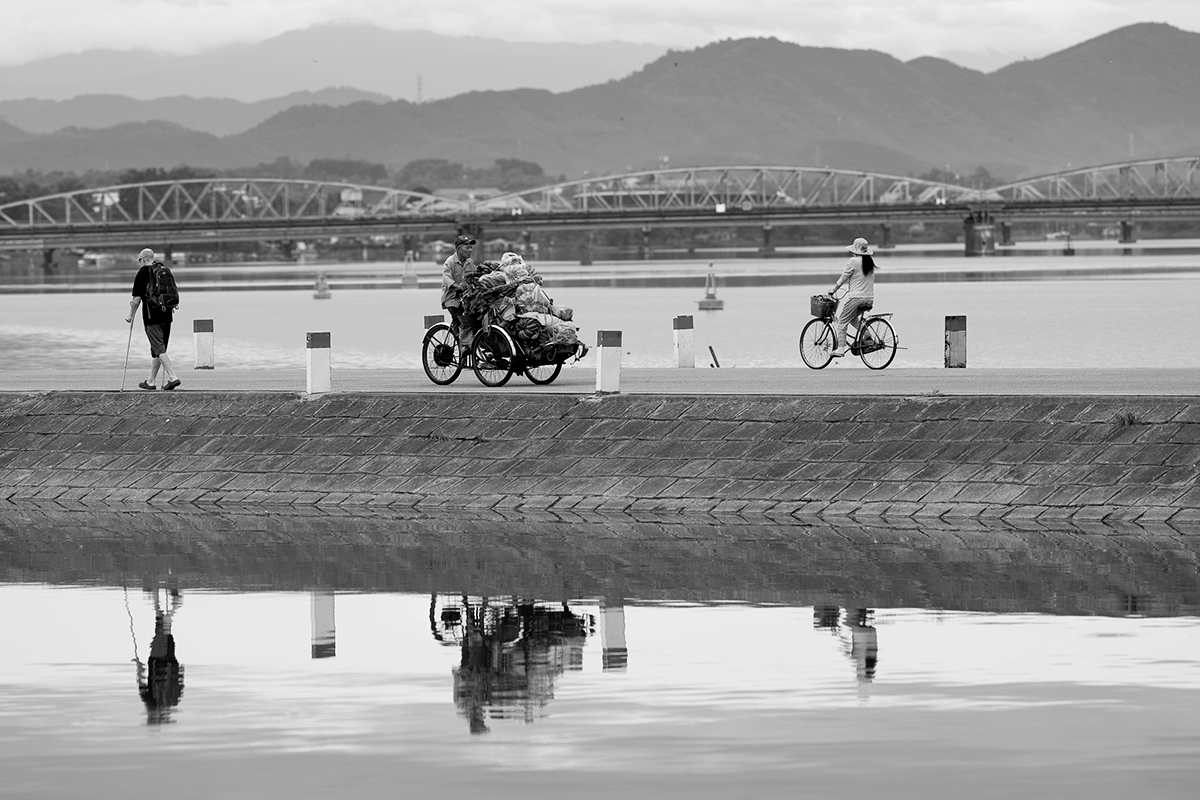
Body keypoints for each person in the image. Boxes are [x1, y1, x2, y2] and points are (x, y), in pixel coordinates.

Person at [125, 248, 181, 390]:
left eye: (140, 259)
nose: (140, 262)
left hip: (152, 316)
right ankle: (151, 381)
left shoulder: (143, 272)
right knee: (159, 349)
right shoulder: (164, 270)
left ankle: (173, 377)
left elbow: (136, 299)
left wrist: (130, 314)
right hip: (167, 314)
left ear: (144, 258)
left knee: (158, 348)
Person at [829, 237, 877, 357]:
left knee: (842, 321)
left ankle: (840, 349)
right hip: (869, 298)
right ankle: (868, 337)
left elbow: (844, 277)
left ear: (855, 250)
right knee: (852, 318)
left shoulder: (853, 261)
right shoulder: (869, 262)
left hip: (856, 298)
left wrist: (834, 290)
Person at [441, 234, 477, 352]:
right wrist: (457, 286)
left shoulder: (470, 262)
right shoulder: (450, 262)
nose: (470, 250)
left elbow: (474, 277)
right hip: (452, 298)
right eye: (467, 247)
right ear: (458, 249)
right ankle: (462, 344)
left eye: (470, 247)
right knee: (459, 317)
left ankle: (474, 342)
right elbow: (446, 279)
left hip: (466, 298)